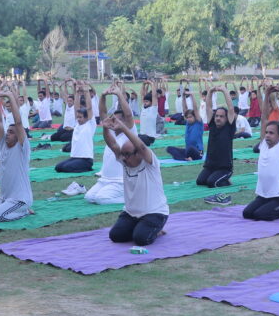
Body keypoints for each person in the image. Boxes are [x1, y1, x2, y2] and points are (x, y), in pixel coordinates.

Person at [101, 113, 170, 245]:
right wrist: (105, 128)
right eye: (123, 154)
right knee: (115, 236)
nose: (124, 158)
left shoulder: (150, 163)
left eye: (127, 154)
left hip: (155, 213)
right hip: (131, 213)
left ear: (138, 153)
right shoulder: (124, 161)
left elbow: (142, 147)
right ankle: (141, 226)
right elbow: (112, 145)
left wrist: (123, 127)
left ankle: (156, 228)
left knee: (141, 239)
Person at [0, 85, 33, 222]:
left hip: (20, 199)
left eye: (11, 132)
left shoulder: (22, 148)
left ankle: (25, 211)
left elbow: (19, 122)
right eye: (7, 132)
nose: (7, 134)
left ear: (18, 136)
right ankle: (13, 208)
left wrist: (10, 97)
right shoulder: (4, 144)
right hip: (4, 198)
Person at [243, 85, 279, 221]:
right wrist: (266, 95)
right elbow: (264, 117)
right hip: (264, 195)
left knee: (261, 215)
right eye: (266, 132)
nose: (267, 135)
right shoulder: (264, 145)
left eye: (271, 133)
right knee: (247, 214)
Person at [197, 85, 237, 186]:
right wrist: (210, 91)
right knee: (200, 182)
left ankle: (226, 180)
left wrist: (224, 91)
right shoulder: (212, 125)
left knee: (211, 183)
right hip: (210, 166)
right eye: (217, 116)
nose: (218, 118)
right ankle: (217, 176)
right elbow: (209, 107)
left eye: (221, 116)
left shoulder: (229, 127)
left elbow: (231, 108)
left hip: (224, 167)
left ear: (226, 118)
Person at [55, 86, 95, 173]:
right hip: (75, 157)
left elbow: (90, 108)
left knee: (66, 168)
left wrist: (86, 92)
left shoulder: (90, 125)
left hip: (86, 159)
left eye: (81, 117)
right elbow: (76, 107)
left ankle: (87, 168)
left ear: (86, 118)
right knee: (58, 167)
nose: (78, 119)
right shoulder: (77, 125)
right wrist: (77, 93)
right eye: (78, 117)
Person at [167, 91, 203, 161]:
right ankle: (186, 159)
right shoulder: (188, 123)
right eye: (187, 117)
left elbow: (195, 108)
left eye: (190, 117)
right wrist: (183, 97)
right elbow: (184, 109)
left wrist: (192, 96)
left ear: (195, 116)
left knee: (190, 148)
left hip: (198, 152)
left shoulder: (198, 122)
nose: (188, 119)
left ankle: (183, 158)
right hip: (187, 151)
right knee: (169, 148)